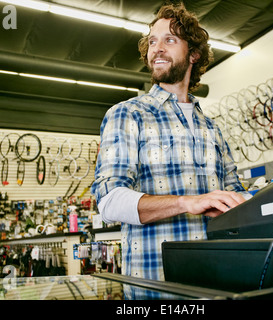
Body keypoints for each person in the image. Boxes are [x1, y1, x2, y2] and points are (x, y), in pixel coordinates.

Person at [92, 3, 249, 299]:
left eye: (170, 40)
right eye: (152, 41)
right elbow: (109, 201)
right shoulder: (128, 114)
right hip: (157, 288)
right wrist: (186, 203)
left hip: (216, 283)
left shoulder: (211, 127)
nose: (157, 49)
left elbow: (235, 193)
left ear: (194, 54)